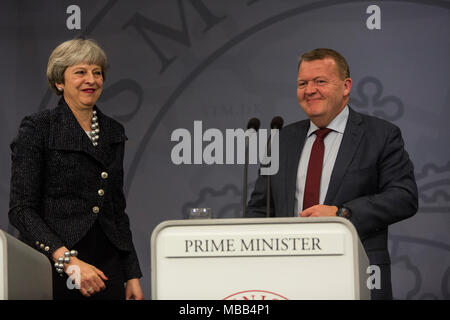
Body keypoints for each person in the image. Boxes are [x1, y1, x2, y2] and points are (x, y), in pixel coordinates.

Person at [246, 48, 418, 300]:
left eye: (320, 81)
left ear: (346, 86)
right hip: (285, 278)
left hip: (355, 272)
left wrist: (341, 214)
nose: (310, 89)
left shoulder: (381, 135)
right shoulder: (280, 140)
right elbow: (260, 209)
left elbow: (404, 197)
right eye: (302, 83)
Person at [9, 38, 144, 300]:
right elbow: (21, 210)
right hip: (51, 263)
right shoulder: (38, 128)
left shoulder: (114, 131)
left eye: (97, 72)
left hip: (107, 266)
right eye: (80, 72)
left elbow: (116, 209)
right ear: (59, 82)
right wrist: (68, 261)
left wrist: (131, 274)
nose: (91, 80)